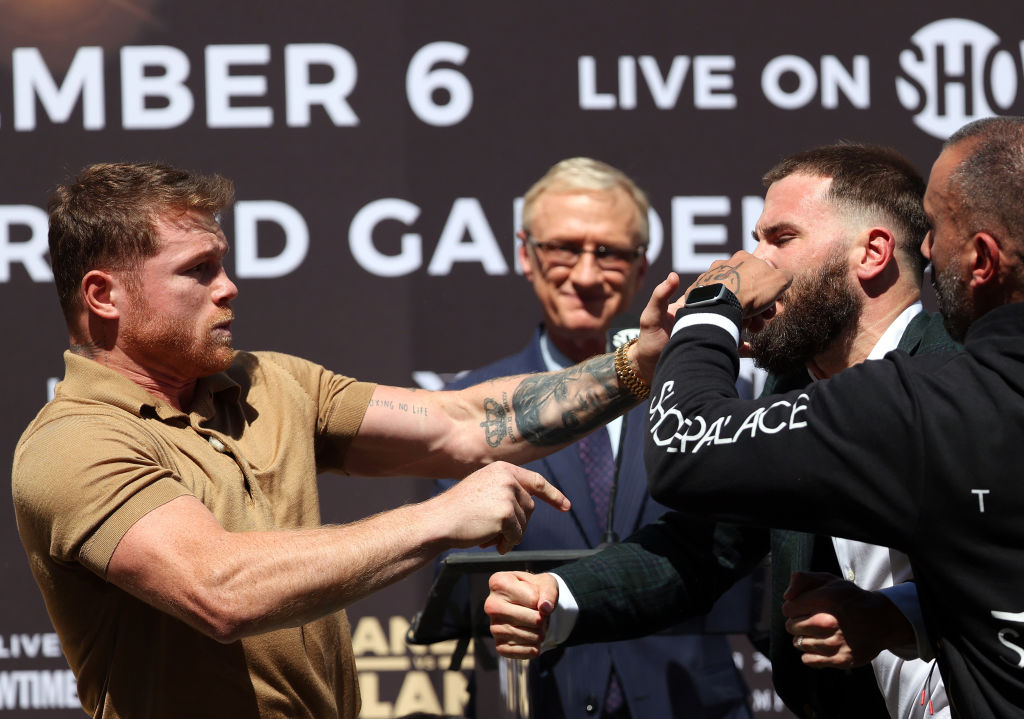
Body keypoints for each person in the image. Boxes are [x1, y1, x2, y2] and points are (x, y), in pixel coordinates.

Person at [10, 161, 683, 719]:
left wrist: (633, 367)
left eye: (224, 264)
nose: (229, 286)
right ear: (103, 295)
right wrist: (439, 518)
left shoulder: (269, 383)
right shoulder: (73, 441)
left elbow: (465, 423)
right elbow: (217, 588)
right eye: (199, 270)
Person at [485, 143, 956, 718]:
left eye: (780, 239)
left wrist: (895, 617)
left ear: (872, 252)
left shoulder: (962, 374)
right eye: (755, 240)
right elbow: (704, 546)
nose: (749, 262)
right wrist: (558, 597)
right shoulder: (791, 390)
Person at [628, 118, 1024, 718]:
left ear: (983, 259)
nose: (927, 248)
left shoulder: (926, 399)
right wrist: (901, 616)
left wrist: (712, 309)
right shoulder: (882, 394)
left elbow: (685, 447)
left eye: (780, 238)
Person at [437, 158, 755, 719]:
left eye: (609, 252)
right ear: (525, 253)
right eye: (563, 248)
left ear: (642, 267)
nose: (585, 275)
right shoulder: (471, 409)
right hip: (541, 703)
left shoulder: (706, 392)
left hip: (692, 703)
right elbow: (466, 576)